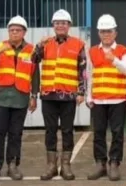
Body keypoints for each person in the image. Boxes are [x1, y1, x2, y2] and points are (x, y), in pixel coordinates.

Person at [34, 9, 86, 181]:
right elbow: (33, 60)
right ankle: (51, 166)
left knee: (67, 130)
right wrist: (39, 45)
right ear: (53, 25)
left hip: (68, 96)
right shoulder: (46, 43)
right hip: (48, 95)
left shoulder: (78, 44)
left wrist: (81, 91)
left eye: (63, 23)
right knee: (50, 131)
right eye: (57, 23)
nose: (60, 26)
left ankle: (65, 166)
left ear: (69, 25)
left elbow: (82, 70)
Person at [0, 15, 39, 182]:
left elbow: (35, 74)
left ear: (24, 32)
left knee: (16, 134)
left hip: (21, 98)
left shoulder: (31, 50)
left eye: (17, 30)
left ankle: (12, 165)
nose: (14, 32)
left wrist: (34, 96)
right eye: (11, 30)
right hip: (1, 98)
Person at [86, 14, 126, 181]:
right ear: (99, 33)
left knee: (117, 133)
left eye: (109, 31)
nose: (106, 34)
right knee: (98, 132)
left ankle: (114, 163)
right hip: (98, 99)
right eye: (103, 31)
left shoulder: (123, 51)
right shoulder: (92, 51)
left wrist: (115, 60)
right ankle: (100, 163)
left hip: (117, 99)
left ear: (115, 33)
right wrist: (89, 96)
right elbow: (89, 74)